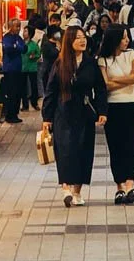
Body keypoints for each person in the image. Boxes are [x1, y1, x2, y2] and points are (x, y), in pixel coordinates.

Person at [42, 25, 108, 207]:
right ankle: (65, 188)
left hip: (85, 113)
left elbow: (101, 89)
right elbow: (50, 91)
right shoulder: (60, 63)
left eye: (84, 37)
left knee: (84, 151)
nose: (82, 40)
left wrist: (102, 111)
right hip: (63, 113)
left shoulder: (90, 63)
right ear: (69, 41)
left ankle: (77, 191)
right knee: (65, 151)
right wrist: (46, 118)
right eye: (78, 37)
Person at [98, 24, 134, 205]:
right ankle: (119, 187)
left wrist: (115, 80)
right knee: (115, 148)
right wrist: (127, 81)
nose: (127, 41)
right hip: (112, 107)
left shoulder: (131, 54)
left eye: (127, 37)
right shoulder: (103, 59)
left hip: (131, 105)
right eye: (124, 38)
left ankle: (130, 185)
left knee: (131, 146)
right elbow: (105, 85)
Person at [0, 18, 26, 123]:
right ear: (11, 26)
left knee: (17, 93)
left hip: (18, 69)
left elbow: (24, 48)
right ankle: (9, 115)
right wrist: (17, 47)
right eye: (16, 26)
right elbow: (9, 49)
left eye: (20, 26)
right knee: (11, 93)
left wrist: (17, 46)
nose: (19, 28)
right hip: (9, 69)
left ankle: (15, 114)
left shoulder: (18, 38)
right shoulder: (7, 37)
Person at [22, 26, 43, 111]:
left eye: (26, 31)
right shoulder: (21, 43)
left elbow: (38, 54)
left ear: (30, 33)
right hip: (22, 68)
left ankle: (34, 103)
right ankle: (25, 105)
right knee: (23, 87)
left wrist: (34, 56)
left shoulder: (34, 44)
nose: (24, 33)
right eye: (23, 31)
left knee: (34, 86)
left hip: (32, 67)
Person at [39, 23, 62, 94]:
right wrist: (58, 50)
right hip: (49, 70)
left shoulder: (59, 43)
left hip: (59, 69)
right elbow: (52, 55)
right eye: (56, 32)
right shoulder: (47, 44)